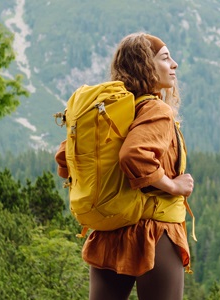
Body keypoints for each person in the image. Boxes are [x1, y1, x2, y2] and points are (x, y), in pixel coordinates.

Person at [55, 32, 192, 300]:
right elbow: (134, 155)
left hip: (110, 231)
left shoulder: (111, 113)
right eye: (165, 58)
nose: (174, 64)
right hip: (155, 233)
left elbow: (64, 157)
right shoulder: (155, 109)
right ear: (146, 65)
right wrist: (173, 184)